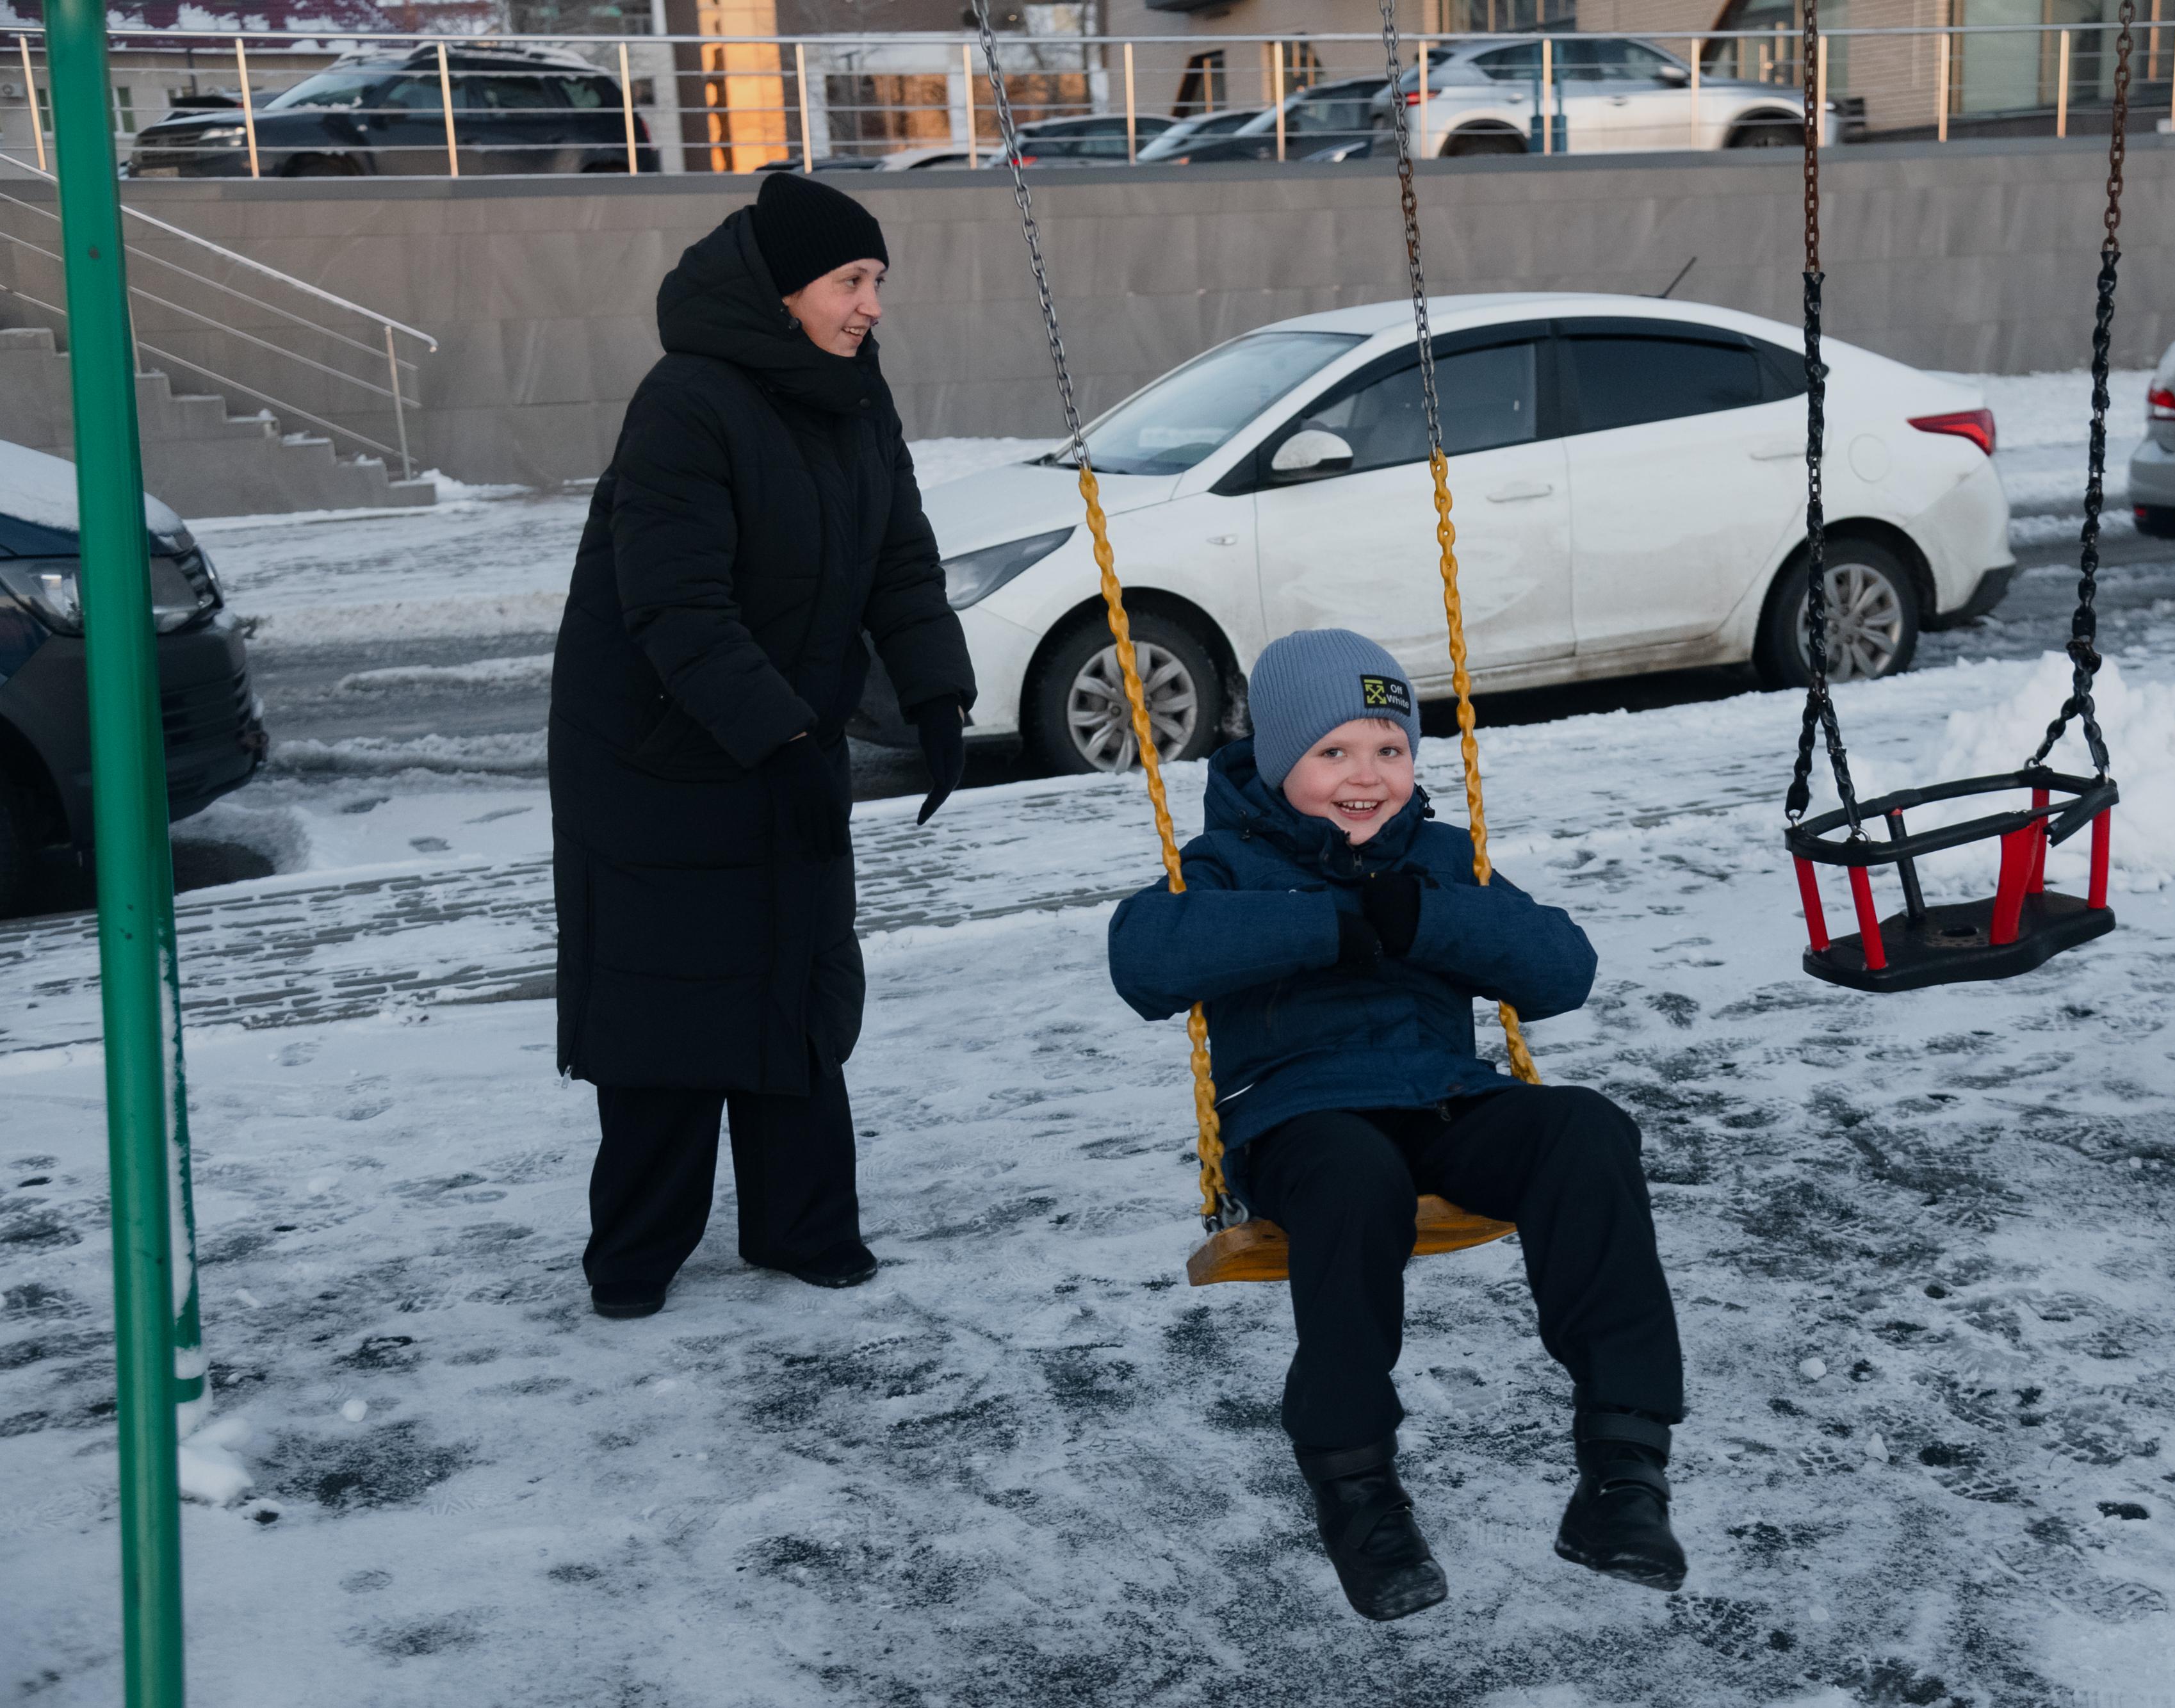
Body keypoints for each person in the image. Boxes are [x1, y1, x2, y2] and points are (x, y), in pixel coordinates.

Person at [1106, 629, 1685, 1622]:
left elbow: (1563, 971)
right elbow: (1146, 961)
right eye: (1332, 753)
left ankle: (1623, 1475)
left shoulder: (1441, 859)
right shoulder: (1227, 864)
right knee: (1352, 1176)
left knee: (1585, 1128)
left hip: (1444, 1103)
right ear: (1283, 760)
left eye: (1388, 749)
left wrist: (1429, 919)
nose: (1364, 778)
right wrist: (1332, 924)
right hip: (1303, 1120)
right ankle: (1360, 1498)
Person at [548, 173, 974, 1322]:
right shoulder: (685, 401)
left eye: (877, 280)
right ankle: (635, 1255)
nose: (871, 304)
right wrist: (784, 735)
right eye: (851, 281)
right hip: (655, 756)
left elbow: (901, 558)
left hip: (776, 731)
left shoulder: (854, 397)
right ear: (782, 291)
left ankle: (800, 1227)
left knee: (794, 979)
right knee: (669, 1007)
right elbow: (675, 606)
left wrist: (936, 695)